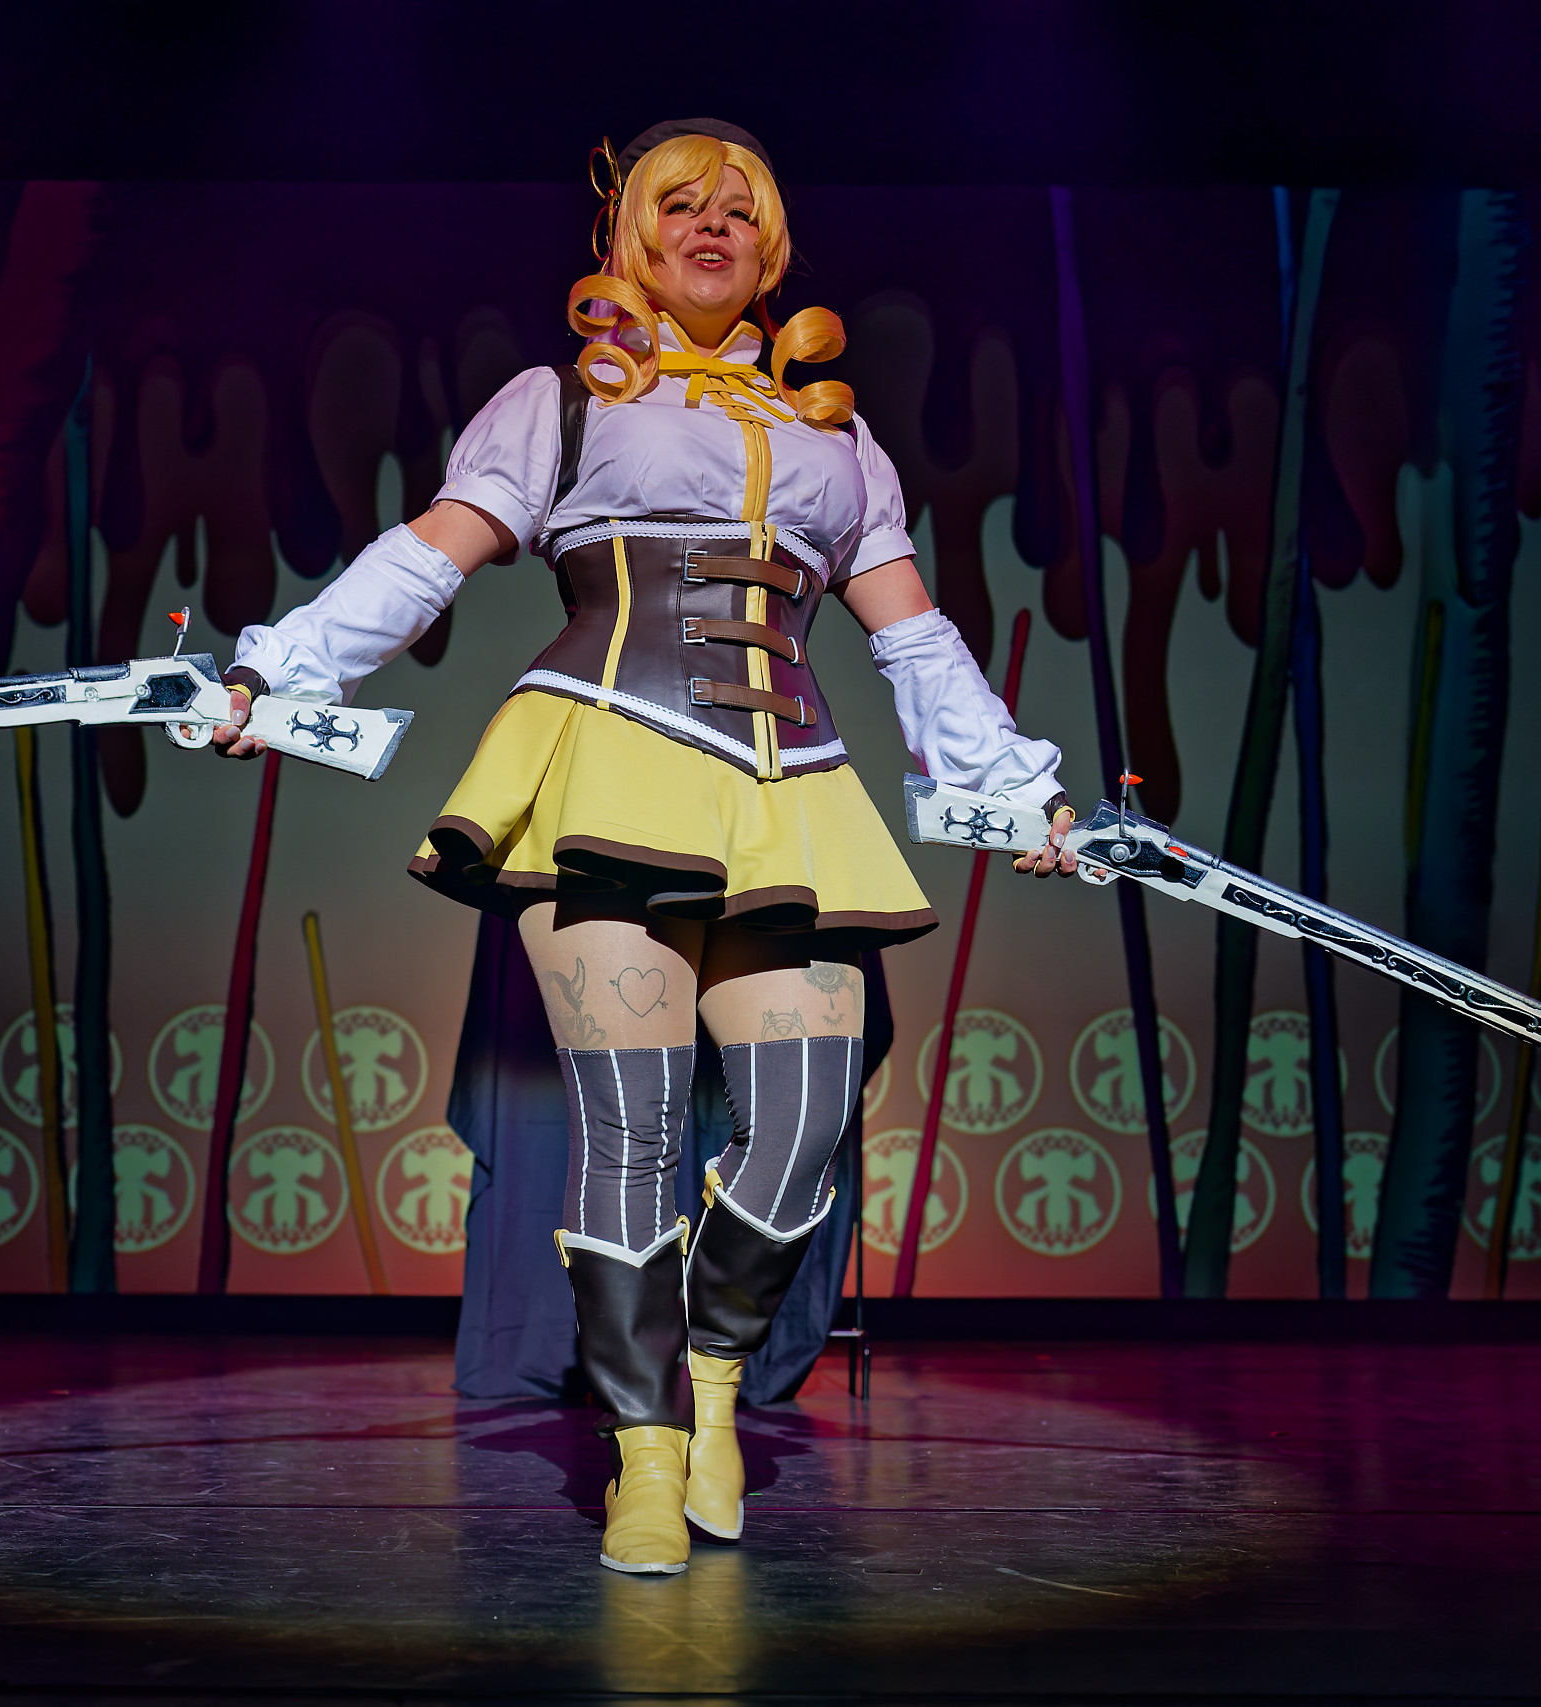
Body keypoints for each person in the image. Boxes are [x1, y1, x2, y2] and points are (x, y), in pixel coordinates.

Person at [212, 118, 1075, 1576]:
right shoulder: (560, 401)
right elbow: (429, 556)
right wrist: (279, 672)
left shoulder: (835, 438)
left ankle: (716, 1388)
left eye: (741, 209)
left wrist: (1017, 785)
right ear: (631, 235)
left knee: (802, 1130)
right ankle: (647, 1448)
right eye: (682, 204)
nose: (711, 225)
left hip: (788, 792)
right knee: (633, 1129)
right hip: (607, 765)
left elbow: (914, 640)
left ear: (773, 249)